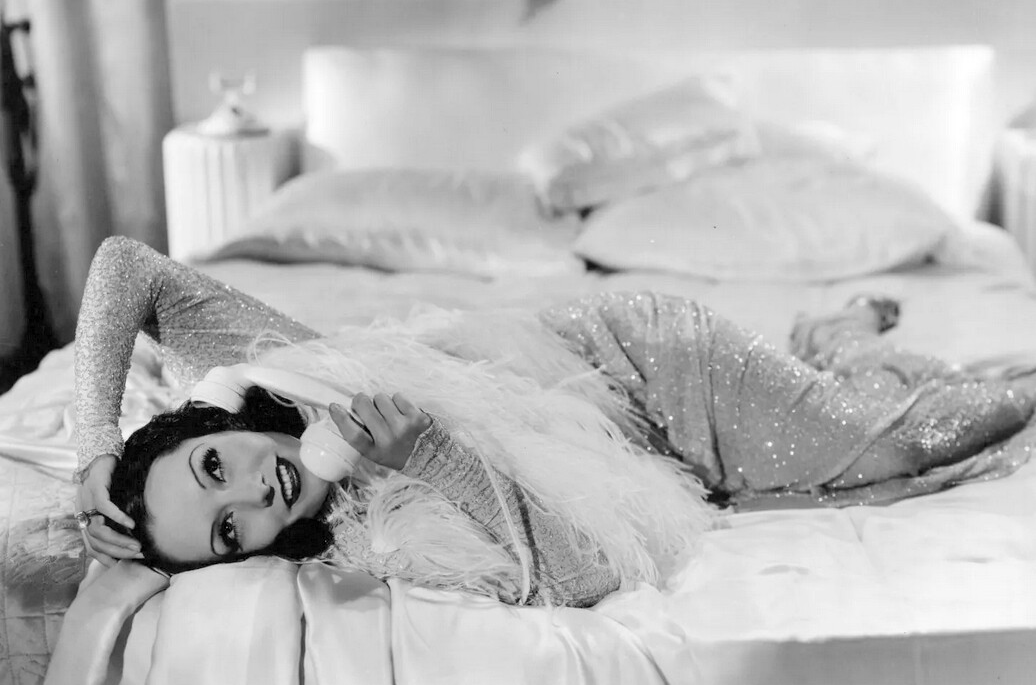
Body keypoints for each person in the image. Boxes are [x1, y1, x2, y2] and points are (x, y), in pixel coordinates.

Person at [74, 236, 1036, 608]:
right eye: (229, 532)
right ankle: (834, 338)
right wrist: (428, 456)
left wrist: (93, 449)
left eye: (214, 468)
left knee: (927, 434)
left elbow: (125, 265)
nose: (253, 492)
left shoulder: (278, 367)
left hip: (646, 364)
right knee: (861, 457)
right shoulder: (370, 533)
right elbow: (579, 574)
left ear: (203, 426)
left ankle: (841, 341)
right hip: (663, 456)